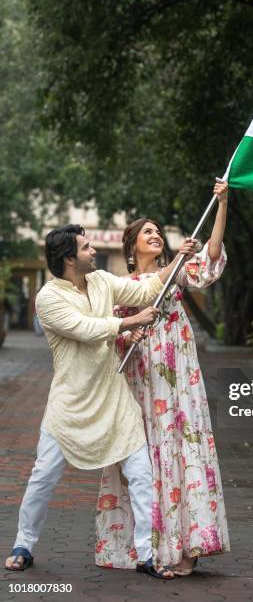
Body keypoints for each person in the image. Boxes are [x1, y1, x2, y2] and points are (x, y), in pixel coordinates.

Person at [5, 224, 198, 579]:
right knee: (43, 477)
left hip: (114, 398)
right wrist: (130, 323)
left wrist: (180, 258)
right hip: (70, 405)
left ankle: (145, 554)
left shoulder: (103, 282)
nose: (94, 251)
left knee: (141, 475)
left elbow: (151, 287)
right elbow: (84, 328)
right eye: (87, 247)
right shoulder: (49, 298)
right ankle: (23, 544)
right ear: (69, 259)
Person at [95, 180, 230, 575]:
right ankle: (148, 548)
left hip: (178, 373)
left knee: (183, 447)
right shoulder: (121, 286)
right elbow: (111, 332)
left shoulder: (178, 272)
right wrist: (127, 333)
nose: (155, 235)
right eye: (146, 232)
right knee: (144, 453)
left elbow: (213, 258)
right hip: (140, 377)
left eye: (158, 231)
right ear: (131, 247)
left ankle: (188, 544)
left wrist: (222, 205)